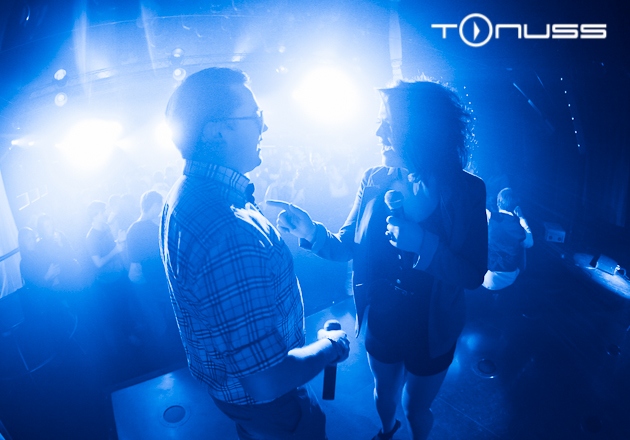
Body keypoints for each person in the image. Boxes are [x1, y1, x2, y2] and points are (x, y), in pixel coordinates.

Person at [270, 79, 487, 440]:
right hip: (382, 318)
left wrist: (423, 244)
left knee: (416, 407)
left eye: (389, 123)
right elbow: (346, 246)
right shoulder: (373, 179)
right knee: (384, 393)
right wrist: (311, 232)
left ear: (421, 131)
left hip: (432, 327)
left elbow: (473, 273)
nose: (378, 132)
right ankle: (387, 431)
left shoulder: (467, 190)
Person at [159, 67, 350, 440]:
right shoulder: (229, 229)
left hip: (237, 399)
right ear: (217, 131)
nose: (265, 127)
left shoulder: (185, 192)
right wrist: (330, 347)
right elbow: (266, 381)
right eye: (255, 116)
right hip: (273, 406)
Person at [483, 187, 534, 290]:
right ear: (516, 207)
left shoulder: (490, 217)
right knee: (523, 245)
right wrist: (522, 218)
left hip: (486, 275)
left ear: (498, 203)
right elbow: (530, 243)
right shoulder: (519, 227)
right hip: (510, 277)